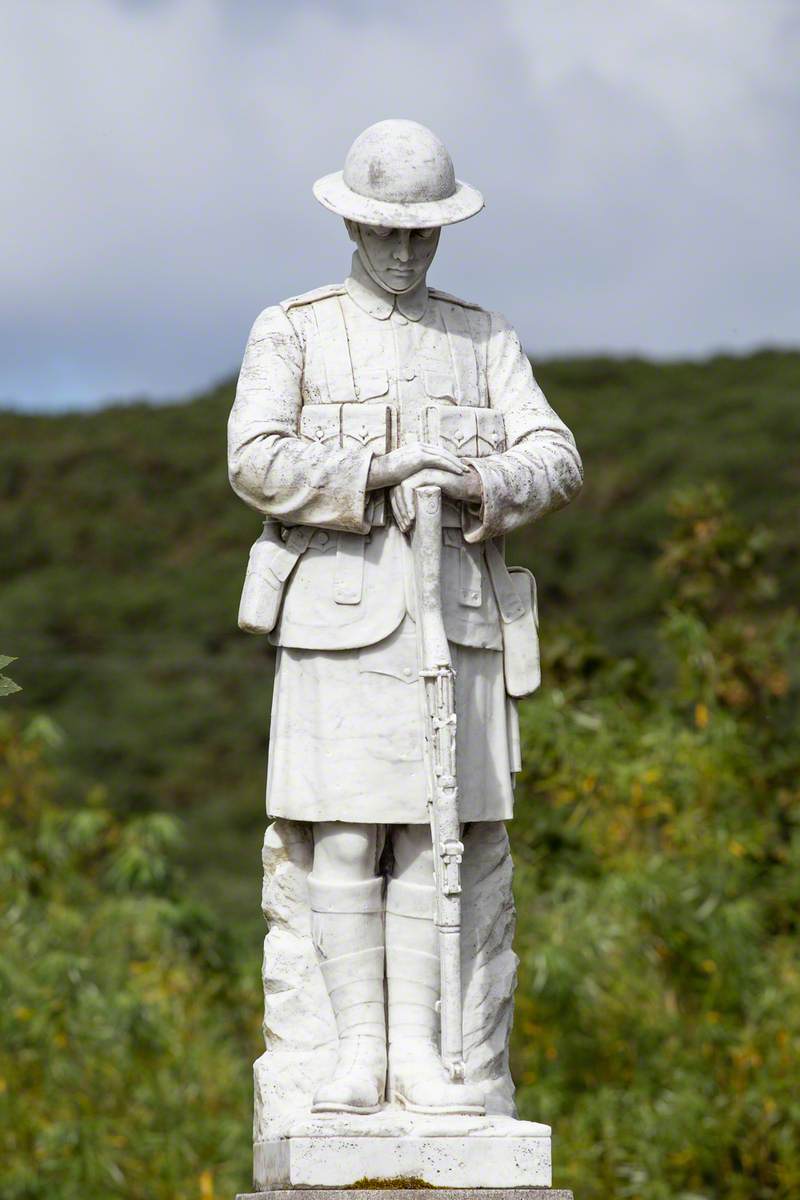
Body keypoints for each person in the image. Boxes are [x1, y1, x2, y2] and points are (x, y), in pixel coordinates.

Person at [228, 119, 582, 1117]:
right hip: (336, 622)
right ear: (348, 222)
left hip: (454, 622)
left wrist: (477, 480)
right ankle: (351, 1056)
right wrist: (372, 475)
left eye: (419, 234)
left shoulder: (484, 338)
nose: (401, 251)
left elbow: (554, 455)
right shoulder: (292, 329)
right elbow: (253, 457)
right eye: (384, 231)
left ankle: (424, 1058)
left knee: (440, 843)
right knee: (341, 841)